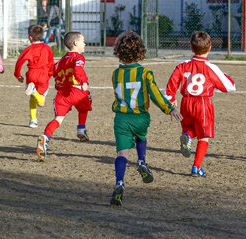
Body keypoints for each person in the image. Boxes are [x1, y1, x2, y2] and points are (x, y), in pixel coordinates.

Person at [109, 31, 183, 206]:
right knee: (141, 137)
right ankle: (141, 161)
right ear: (141, 52)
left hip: (121, 117)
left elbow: (117, 96)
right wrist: (169, 109)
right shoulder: (145, 73)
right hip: (140, 117)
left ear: (118, 52)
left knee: (122, 153)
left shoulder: (115, 74)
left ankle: (119, 182)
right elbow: (156, 95)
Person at [165, 31, 236, 177]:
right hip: (203, 104)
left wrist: (172, 103)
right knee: (204, 136)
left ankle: (187, 135)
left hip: (186, 103)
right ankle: (196, 168)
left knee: (192, 129)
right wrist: (224, 76)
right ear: (210, 48)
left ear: (191, 47)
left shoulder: (182, 65)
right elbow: (229, 86)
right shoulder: (211, 68)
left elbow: (170, 88)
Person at [36, 32, 92, 162]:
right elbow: (78, 70)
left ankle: (45, 137)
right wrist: (83, 81)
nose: (85, 43)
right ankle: (81, 129)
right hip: (76, 90)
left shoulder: (60, 60)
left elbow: (53, 73)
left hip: (61, 94)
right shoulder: (78, 57)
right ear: (75, 43)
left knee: (58, 119)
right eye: (83, 41)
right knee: (85, 102)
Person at [14, 24, 54, 128]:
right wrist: (51, 74)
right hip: (43, 75)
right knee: (41, 103)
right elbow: (51, 63)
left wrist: (18, 75)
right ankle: (34, 92)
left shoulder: (29, 49)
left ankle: (33, 120)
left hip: (31, 75)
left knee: (32, 98)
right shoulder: (47, 48)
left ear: (30, 37)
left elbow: (19, 62)